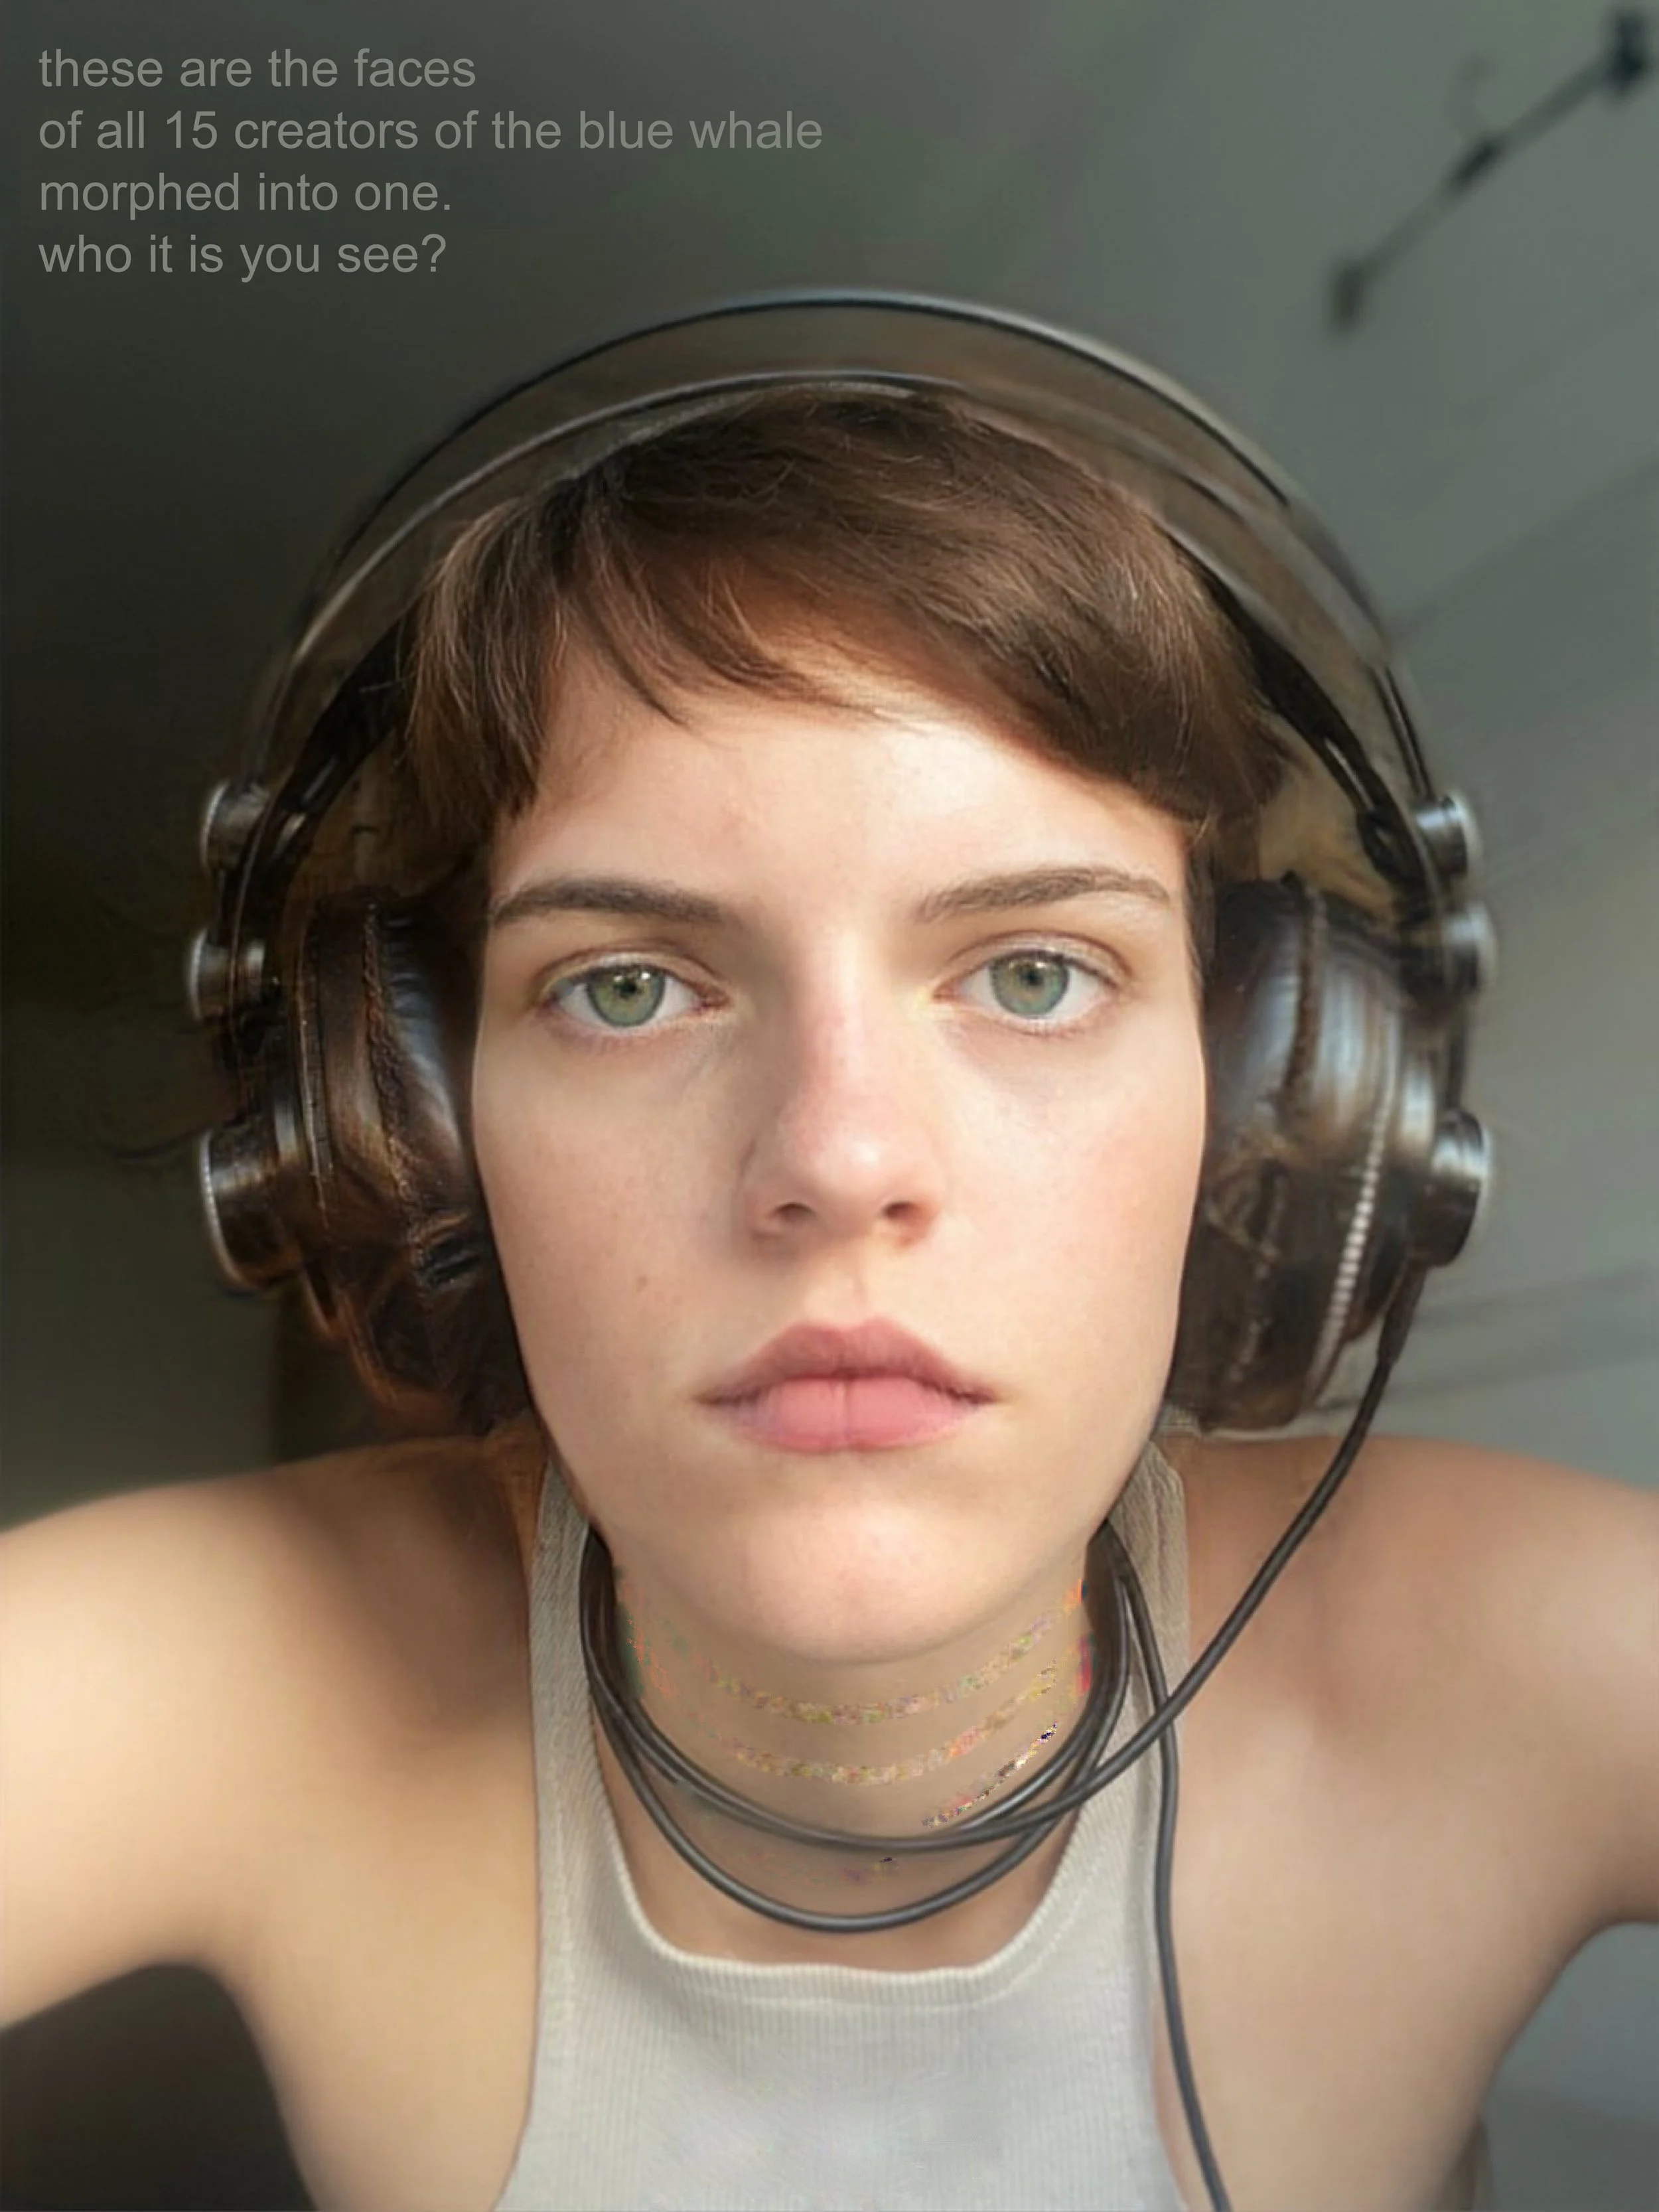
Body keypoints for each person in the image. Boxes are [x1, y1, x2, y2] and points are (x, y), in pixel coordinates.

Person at [2, 307, 1654, 2212]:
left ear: (1280, 1081)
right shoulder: (219, 1674)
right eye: (627, 987)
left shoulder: (1513, 1656)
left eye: (1033, 973)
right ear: (421, 1127)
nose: (837, 1159)